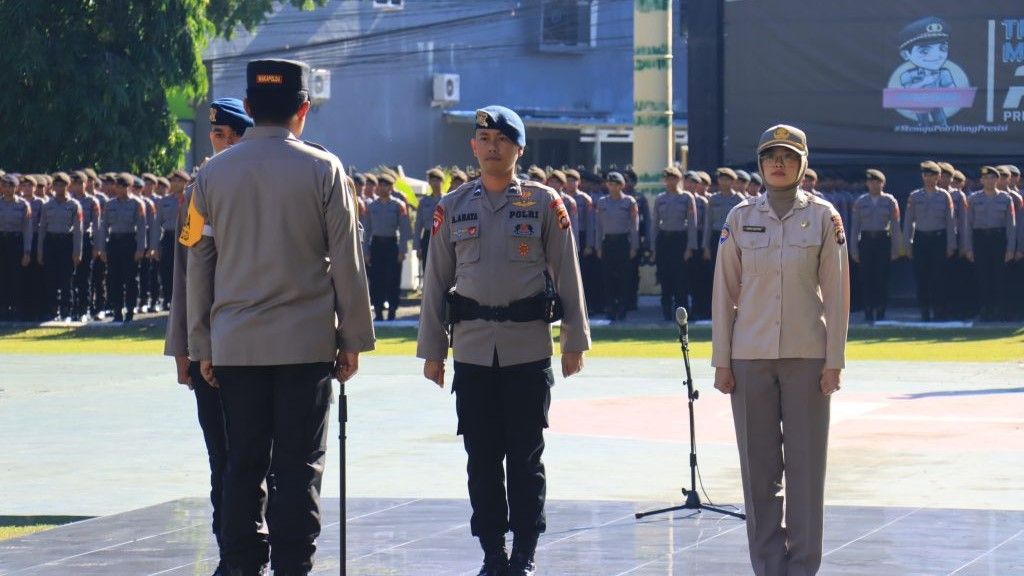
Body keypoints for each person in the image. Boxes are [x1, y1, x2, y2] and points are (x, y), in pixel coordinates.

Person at [185, 58, 374, 575]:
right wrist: (352, 338)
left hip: (237, 345)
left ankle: (243, 565)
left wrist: (201, 343)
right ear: (303, 110)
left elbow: (198, 262)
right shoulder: (323, 169)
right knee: (298, 468)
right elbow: (346, 261)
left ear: (248, 108)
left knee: (242, 464)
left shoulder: (210, 174)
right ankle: (294, 566)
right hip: (304, 346)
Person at [416, 105, 589, 576]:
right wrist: (433, 351)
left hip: (527, 350)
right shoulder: (453, 206)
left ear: (519, 148)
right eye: (484, 139)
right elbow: (435, 282)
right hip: (472, 351)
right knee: (482, 458)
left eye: (502, 141)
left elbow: (567, 274)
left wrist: (574, 340)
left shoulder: (543, 202)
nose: (492, 148)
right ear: (473, 147)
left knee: (526, 457)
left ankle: (525, 553)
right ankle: (493, 552)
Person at [712, 124, 849, 576]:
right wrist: (721, 360)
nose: (778, 163)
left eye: (788, 156)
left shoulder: (825, 218)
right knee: (758, 470)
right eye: (771, 155)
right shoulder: (739, 217)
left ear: (802, 164)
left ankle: (803, 566)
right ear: (760, 162)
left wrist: (834, 361)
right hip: (749, 357)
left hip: (808, 357)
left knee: (807, 471)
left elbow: (837, 292)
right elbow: (724, 292)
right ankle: (769, 566)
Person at [164, 98, 254, 576]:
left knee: (266, 459)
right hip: (211, 348)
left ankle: (266, 549)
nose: (224, 144)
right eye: (218, 136)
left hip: (260, 344)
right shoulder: (198, 194)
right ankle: (229, 551)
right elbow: (186, 273)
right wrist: (184, 347)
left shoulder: (268, 185)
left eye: (232, 135)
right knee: (222, 458)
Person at [903, 161, 956, 321]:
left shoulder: (944, 196)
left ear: (938, 177)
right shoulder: (914, 196)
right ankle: (924, 310)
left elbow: (950, 221)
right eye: (925, 175)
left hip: (939, 239)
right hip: (921, 239)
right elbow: (908, 221)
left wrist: (951, 245)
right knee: (922, 276)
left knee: (938, 277)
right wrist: (907, 244)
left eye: (931, 175)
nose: (928, 178)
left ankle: (938, 309)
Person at [963, 166, 1016, 321]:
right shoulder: (973, 199)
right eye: (986, 178)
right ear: (981, 181)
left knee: (1000, 277)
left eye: (992, 178)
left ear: (997, 180)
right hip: (981, 240)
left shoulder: (1007, 199)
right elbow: (968, 225)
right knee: (982, 276)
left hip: (999, 240)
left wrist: (1011, 248)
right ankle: (985, 309)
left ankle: (999, 309)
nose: (989, 181)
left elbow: (1011, 226)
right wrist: (968, 248)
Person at [850, 169, 903, 322]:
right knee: (867, 278)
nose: (873, 185)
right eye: (870, 182)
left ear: (883, 184)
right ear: (867, 184)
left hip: (883, 240)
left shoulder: (890, 201)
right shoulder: (860, 202)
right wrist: (853, 249)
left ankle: (880, 309)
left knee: (882, 277)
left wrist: (896, 248)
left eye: (877, 182)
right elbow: (855, 227)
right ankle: (868, 309)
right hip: (866, 241)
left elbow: (895, 225)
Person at [94, 173, 146, 324]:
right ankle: (117, 311)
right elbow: (103, 227)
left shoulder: (137, 204)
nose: (118, 189)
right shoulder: (110, 205)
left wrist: (140, 248)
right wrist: (102, 248)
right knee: (114, 279)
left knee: (130, 279)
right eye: (117, 186)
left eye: (121, 186)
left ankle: (129, 310)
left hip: (130, 242)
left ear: (128, 187)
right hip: (114, 243)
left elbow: (142, 227)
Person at [650, 166, 698, 321]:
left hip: (680, 240)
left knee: (681, 278)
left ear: (679, 179)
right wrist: (653, 248)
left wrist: (690, 247)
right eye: (667, 178)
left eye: (673, 178)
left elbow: (692, 224)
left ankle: (682, 310)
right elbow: (655, 224)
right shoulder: (660, 199)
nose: (670, 181)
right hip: (664, 240)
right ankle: (666, 309)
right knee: (665, 276)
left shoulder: (687, 198)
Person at [363, 171, 411, 321]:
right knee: (376, 280)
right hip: (377, 245)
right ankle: (377, 311)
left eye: (386, 185)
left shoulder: (399, 205)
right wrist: (366, 251)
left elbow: (405, 230)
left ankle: (392, 310)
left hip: (392, 245)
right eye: (381, 185)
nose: (383, 188)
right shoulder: (371, 207)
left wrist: (402, 250)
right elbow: (366, 230)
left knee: (392, 279)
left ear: (391, 187)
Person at [37, 172, 84, 321]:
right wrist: (40, 251)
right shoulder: (47, 205)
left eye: (62, 185)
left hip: (66, 243)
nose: (59, 188)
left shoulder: (74, 205)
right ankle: (52, 311)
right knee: (50, 279)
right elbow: (42, 228)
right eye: (56, 185)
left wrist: (77, 252)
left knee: (66, 279)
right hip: (51, 242)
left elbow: (78, 230)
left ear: (67, 186)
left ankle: (66, 311)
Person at [595, 171, 640, 322]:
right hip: (607, 242)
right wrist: (598, 246)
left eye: (616, 184)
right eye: (610, 184)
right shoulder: (602, 202)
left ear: (622, 185)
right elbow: (599, 226)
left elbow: (634, 226)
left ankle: (622, 307)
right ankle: (610, 307)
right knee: (607, 277)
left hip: (623, 242)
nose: (612, 187)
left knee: (624, 277)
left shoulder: (629, 202)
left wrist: (634, 246)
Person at [69, 171, 101, 322]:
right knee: (70, 277)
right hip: (70, 240)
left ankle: (84, 309)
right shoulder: (69, 201)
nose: (77, 187)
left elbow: (97, 225)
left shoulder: (92, 202)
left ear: (85, 184)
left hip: (86, 241)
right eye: (74, 183)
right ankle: (71, 309)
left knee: (84, 277)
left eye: (79, 183)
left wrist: (97, 246)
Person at [0, 174, 32, 321]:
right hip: (2, 242)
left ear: (16, 187)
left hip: (16, 243)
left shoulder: (23, 205)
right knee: (3, 277)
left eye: (11, 186)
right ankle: (3, 308)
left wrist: (27, 251)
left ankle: (17, 308)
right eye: (5, 185)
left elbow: (27, 229)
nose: (7, 189)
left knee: (16, 277)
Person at [414, 167, 446, 274]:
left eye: (437, 180)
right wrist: (417, 247)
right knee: (427, 270)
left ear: (442, 181)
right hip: (428, 236)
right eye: (432, 180)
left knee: (443, 269)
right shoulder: (424, 202)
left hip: (443, 236)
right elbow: (418, 225)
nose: (435, 183)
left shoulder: (447, 199)